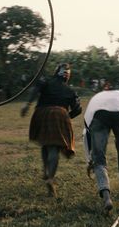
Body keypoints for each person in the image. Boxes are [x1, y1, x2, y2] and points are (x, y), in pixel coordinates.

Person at [20, 63, 82, 197]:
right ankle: (50, 178)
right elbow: (78, 109)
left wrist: (27, 105)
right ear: (67, 76)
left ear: (56, 73)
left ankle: (45, 170)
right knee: (54, 147)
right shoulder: (71, 91)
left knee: (45, 143)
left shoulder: (45, 81)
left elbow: (36, 89)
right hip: (60, 113)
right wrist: (66, 117)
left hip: (41, 113)